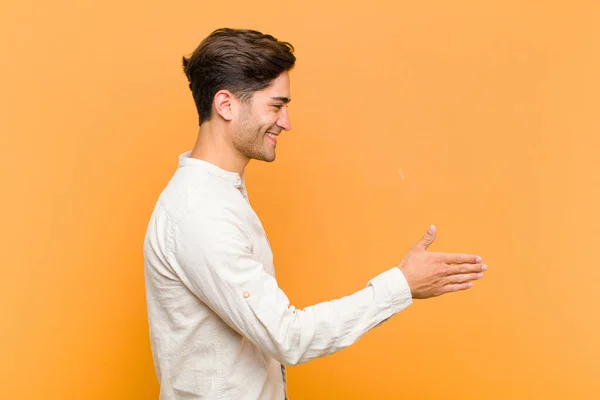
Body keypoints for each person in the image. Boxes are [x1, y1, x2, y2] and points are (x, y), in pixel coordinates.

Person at [143, 28, 487, 400]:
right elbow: (287, 337)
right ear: (226, 105)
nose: (286, 122)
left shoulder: (220, 195)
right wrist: (401, 285)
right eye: (276, 105)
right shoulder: (201, 212)